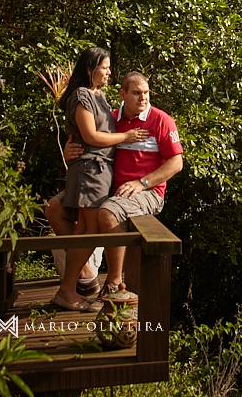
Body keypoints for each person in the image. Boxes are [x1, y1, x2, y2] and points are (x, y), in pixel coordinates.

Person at [56, 70, 183, 299]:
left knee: (107, 214)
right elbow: (88, 139)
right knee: (54, 209)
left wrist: (143, 183)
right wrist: (68, 151)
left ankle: (115, 280)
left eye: (146, 93)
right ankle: (85, 272)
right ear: (122, 94)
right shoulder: (112, 119)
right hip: (107, 188)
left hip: (147, 191)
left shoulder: (161, 120)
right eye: (136, 93)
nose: (143, 98)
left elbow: (176, 163)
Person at [51, 48, 150, 311]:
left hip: (99, 171)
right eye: (104, 67)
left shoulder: (99, 96)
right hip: (90, 171)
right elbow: (91, 136)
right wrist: (126, 138)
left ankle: (69, 289)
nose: (108, 72)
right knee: (89, 230)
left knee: (86, 231)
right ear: (89, 69)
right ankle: (67, 291)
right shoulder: (83, 96)